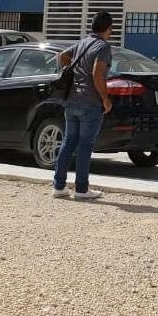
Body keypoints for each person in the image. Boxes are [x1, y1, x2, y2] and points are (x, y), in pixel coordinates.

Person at [52, 12, 114, 200]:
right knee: (85, 145)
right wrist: (105, 98)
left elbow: (62, 56)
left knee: (69, 141)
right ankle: (81, 189)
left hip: (71, 100)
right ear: (109, 29)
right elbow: (97, 73)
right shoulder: (103, 47)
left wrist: (71, 71)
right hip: (90, 102)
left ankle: (59, 186)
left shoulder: (83, 42)